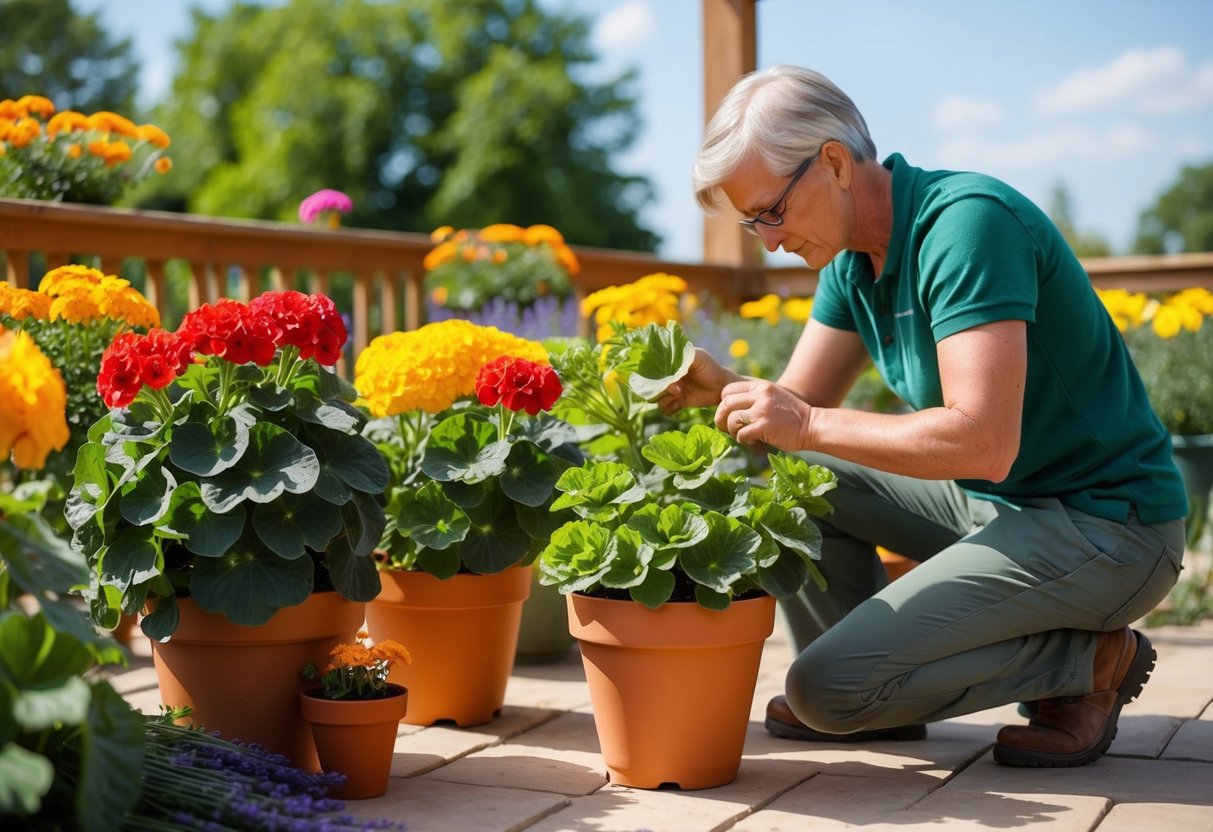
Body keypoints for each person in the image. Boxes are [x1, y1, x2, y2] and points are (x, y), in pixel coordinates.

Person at [660, 65, 1188, 767]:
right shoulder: (853, 262)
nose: (766, 240)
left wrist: (804, 425)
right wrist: (725, 387)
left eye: (770, 212)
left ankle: (1088, 664)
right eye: (751, 222)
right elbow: (795, 411)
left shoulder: (966, 225)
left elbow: (980, 442)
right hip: (995, 508)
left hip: (1106, 527)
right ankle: (876, 697)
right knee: (775, 463)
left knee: (821, 691)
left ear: (834, 163)